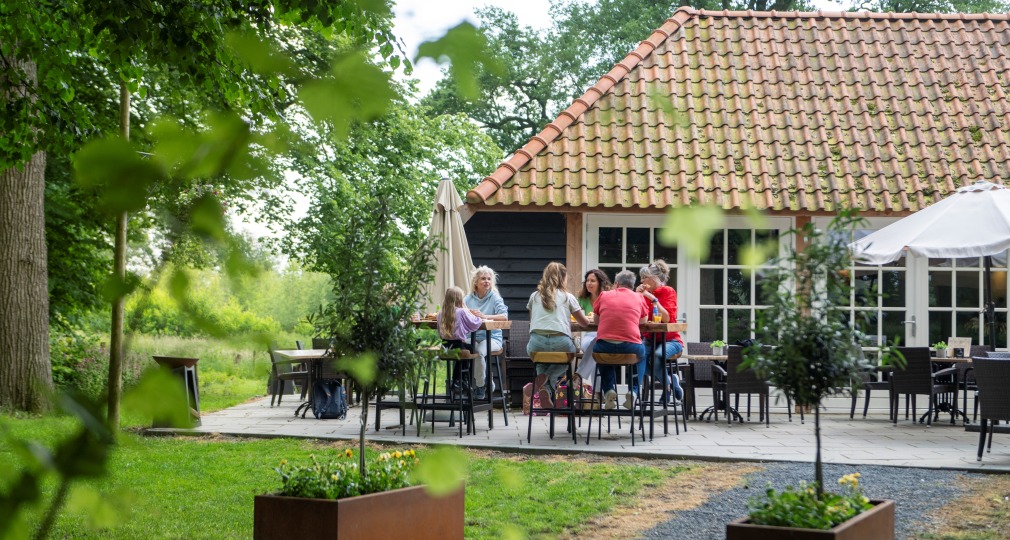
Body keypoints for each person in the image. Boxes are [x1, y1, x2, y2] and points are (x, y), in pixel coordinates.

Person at [527, 262, 590, 408]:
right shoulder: (567, 297)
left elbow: (533, 322)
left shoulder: (534, 296)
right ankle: (548, 381)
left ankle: (544, 387)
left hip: (536, 342)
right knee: (571, 355)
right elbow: (584, 323)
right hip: (560, 341)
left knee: (542, 360)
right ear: (562, 278)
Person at [593, 270, 648, 410]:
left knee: (604, 357)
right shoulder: (638, 297)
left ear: (616, 284)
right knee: (642, 355)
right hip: (630, 346)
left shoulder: (604, 295)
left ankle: (608, 390)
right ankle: (633, 391)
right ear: (632, 285)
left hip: (604, 345)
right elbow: (643, 321)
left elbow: (596, 320)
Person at [637, 260, 685, 403]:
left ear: (655, 278)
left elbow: (667, 318)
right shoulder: (642, 294)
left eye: (644, 277)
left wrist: (652, 298)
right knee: (637, 359)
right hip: (649, 339)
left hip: (671, 340)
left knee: (658, 356)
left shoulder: (668, 291)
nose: (642, 281)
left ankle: (667, 387)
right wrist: (635, 296)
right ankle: (670, 382)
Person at [464, 266, 509, 400]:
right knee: (465, 349)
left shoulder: (495, 298)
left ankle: (479, 386)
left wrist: (484, 316)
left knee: (479, 353)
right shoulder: (467, 299)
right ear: (476, 282)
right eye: (483, 278)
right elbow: (460, 315)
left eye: (489, 279)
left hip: (492, 338)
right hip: (471, 337)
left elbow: (504, 316)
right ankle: (484, 381)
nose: (486, 281)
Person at [437, 286, 483, 397]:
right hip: (457, 344)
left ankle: (460, 381)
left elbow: (439, 332)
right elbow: (475, 323)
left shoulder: (440, 313)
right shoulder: (462, 311)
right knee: (468, 350)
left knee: (467, 349)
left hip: (445, 346)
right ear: (459, 299)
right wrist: (476, 314)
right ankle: (462, 380)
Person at [575, 269, 612, 385]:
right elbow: (577, 317)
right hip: (590, 334)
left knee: (595, 351)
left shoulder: (608, 298)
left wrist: (590, 317)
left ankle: (579, 376)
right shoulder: (582, 299)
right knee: (594, 351)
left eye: (593, 281)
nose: (589, 283)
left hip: (606, 335)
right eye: (587, 281)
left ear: (600, 283)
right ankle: (598, 394)